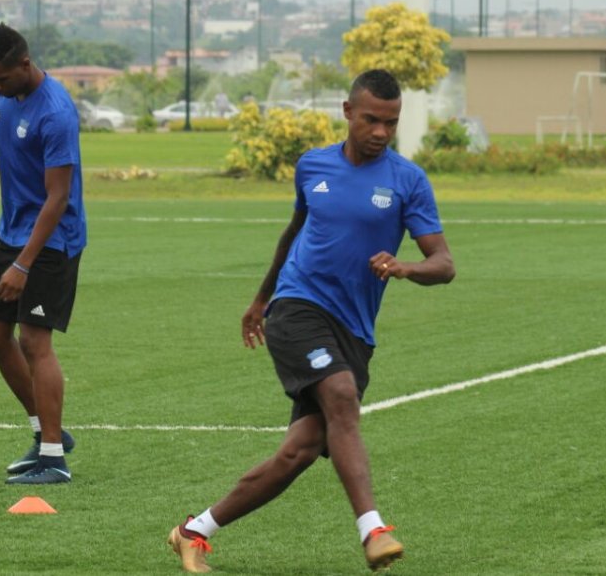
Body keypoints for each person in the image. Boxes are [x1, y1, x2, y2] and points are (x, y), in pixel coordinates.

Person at [166, 69, 456, 573]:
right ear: (347, 112)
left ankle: (194, 532)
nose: (381, 132)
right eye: (371, 120)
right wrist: (262, 298)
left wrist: (405, 267)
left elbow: (444, 264)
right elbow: (294, 232)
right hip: (296, 307)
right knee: (340, 395)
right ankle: (373, 529)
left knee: (297, 453)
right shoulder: (313, 165)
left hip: (354, 330)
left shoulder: (407, 180)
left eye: (391, 123)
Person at [0, 24, 86, 485]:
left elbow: (57, 197)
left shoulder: (56, 113)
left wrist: (23, 264)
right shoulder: (4, 95)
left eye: (1, 79)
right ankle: (46, 430)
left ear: (25, 64)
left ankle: (54, 458)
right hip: (11, 231)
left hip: (52, 239)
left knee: (35, 342)